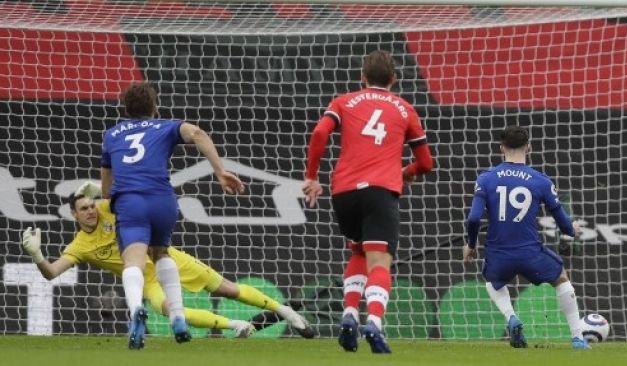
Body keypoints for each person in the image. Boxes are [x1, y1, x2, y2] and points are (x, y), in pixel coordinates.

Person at [20, 182, 315, 339]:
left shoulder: (108, 208)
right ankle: (235, 324)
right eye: (83, 209)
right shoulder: (80, 246)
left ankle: (284, 311)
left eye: (91, 205)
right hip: (147, 279)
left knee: (227, 289)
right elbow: (51, 272)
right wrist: (37, 255)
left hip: (166, 256)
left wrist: (100, 190)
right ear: (73, 214)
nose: (90, 211)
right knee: (171, 311)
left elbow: (126, 193)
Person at [302, 50, 433, 354]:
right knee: (380, 260)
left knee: (359, 250)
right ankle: (373, 321)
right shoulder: (404, 108)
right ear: (394, 79)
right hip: (379, 191)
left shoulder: (344, 101)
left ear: (362, 77)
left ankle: (349, 314)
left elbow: (320, 131)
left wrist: (311, 176)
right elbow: (426, 162)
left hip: (344, 193)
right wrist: (407, 172)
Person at [100, 82, 246, 349]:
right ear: (155, 107)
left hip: (130, 201)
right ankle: (178, 316)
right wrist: (219, 171)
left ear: (126, 108)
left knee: (133, 259)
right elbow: (198, 133)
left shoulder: (112, 134)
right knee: (161, 253)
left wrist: (108, 200)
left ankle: (135, 313)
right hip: (161, 199)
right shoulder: (167, 126)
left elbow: (107, 184)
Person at [464, 125, 590, 349]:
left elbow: (473, 218)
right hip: (530, 252)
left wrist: (471, 244)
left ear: (501, 148)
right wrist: (572, 230)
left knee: (493, 282)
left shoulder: (486, 179)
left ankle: (511, 317)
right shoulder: (540, 181)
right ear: (529, 147)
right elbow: (561, 219)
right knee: (561, 278)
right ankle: (578, 338)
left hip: (498, 252)